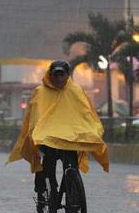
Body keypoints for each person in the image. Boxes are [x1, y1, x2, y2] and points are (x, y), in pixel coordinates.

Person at [6, 60, 109, 200]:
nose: (59, 78)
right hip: (48, 137)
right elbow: (35, 116)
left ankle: (72, 203)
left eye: (62, 75)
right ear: (51, 75)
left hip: (70, 137)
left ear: (67, 75)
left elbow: (86, 113)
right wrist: (39, 132)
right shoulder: (40, 92)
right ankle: (46, 189)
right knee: (48, 164)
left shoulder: (76, 91)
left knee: (72, 166)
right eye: (56, 75)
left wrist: (91, 129)